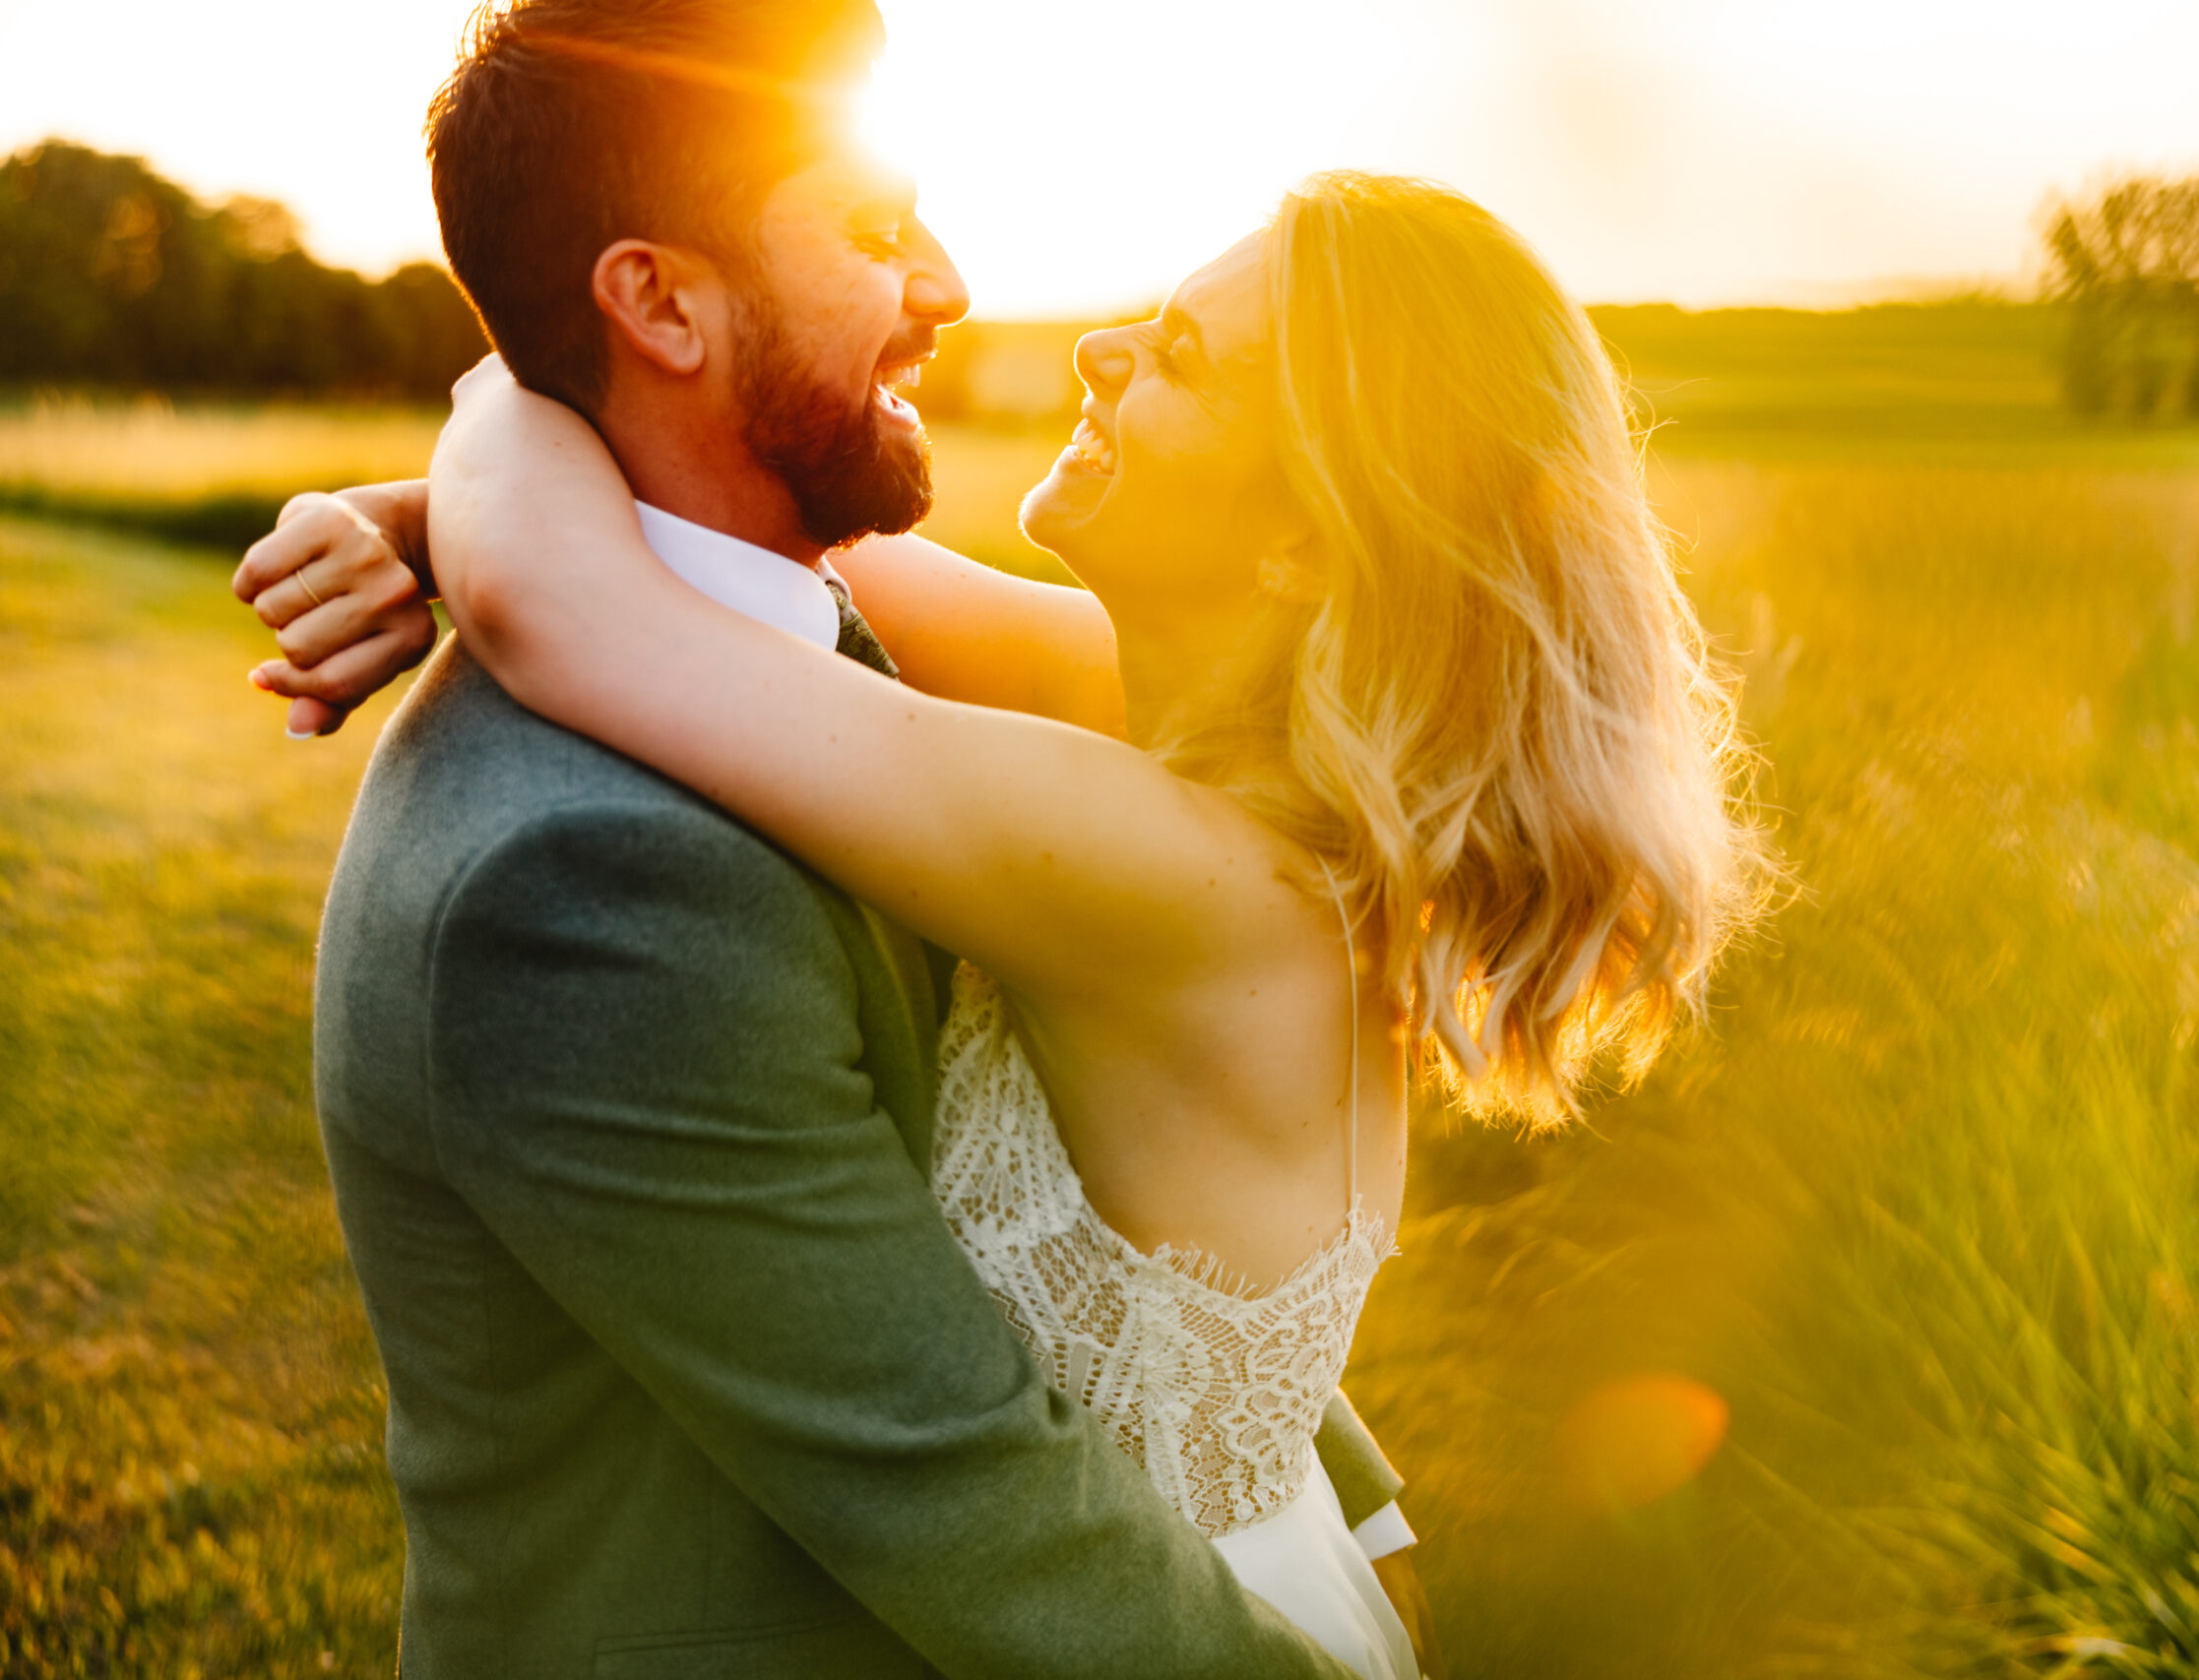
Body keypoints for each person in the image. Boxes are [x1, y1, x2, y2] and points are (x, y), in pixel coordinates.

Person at [230, 2, 1427, 1675]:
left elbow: (1125, 1202)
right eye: (875, 230)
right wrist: (438, 503)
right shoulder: (586, 877)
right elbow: (981, 1508)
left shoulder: (848, 665)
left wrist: (449, 486)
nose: (947, 285)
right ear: (653, 299)